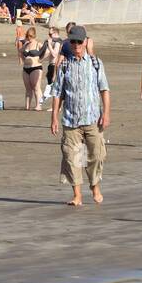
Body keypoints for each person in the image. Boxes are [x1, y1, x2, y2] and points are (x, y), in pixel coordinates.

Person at [50, 25, 109, 208]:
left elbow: (104, 89)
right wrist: (54, 117)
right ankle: (77, 195)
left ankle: (95, 187)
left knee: (96, 156)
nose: (76, 45)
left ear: (85, 42)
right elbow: (58, 93)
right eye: (72, 41)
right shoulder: (65, 65)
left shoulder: (95, 63)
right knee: (73, 157)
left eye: (79, 41)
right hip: (71, 120)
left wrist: (106, 113)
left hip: (92, 118)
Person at [20, 26, 50, 110]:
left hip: (36, 67)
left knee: (36, 87)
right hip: (26, 68)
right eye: (28, 36)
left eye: (30, 36)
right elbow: (21, 51)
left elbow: (47, 52)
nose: (29, 38)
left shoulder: (38, 44)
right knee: (28, 88)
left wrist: (41, 59)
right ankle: (27, 106)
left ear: (34, 36)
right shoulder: (26, 44)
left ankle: (38, 105)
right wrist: (23, 59)